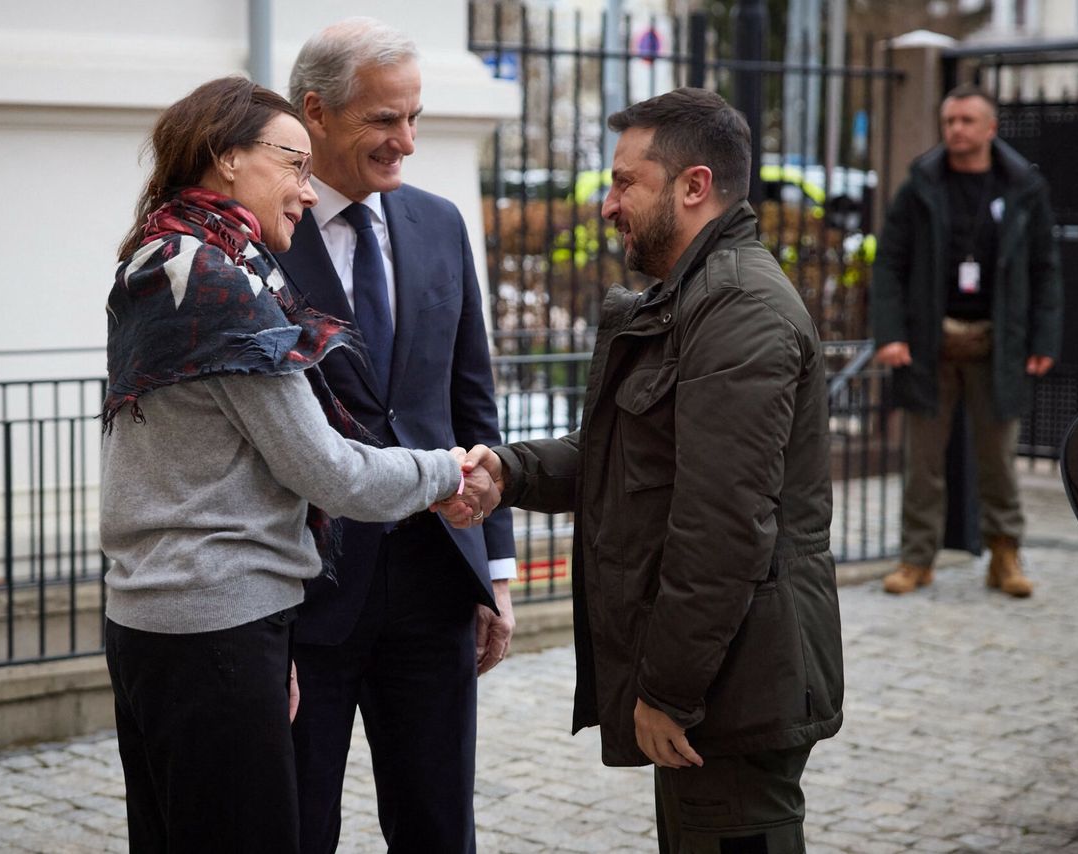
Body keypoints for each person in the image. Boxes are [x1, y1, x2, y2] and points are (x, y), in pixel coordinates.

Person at [98, 76, 496, 853]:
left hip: (156, 618)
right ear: (226, 157)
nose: (309, 193)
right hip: (215, 624)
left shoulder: (157, 256)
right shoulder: (221, 288)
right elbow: (332, 474)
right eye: (294, 166)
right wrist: (451, 473)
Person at [459, 88, 844, 853]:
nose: (608, 204)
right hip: (719, 684)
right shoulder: (694, 296)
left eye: (625, 181)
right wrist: (509, 472)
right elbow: (628, 459)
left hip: (734, 689)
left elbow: (721, 528)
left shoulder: (737, 306)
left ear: (693, 186)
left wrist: (667, 691)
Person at [276, 18, 517, 854]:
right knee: (301, 826)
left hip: (433, 588)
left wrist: (494, 570)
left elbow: (471, 405)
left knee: (438, 826)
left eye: (414, 117)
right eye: (385, 120)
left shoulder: (440, 224)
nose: (406, 142)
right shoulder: (262, 237)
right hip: (307, 597)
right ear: (316, 112)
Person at [871, 83, 1063, 597]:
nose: (955, 129)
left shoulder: (1023, 186)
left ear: (990, 128)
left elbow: (1046, 268)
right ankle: (917, 559)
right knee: (923, 462)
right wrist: (890, 333)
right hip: (929, 342)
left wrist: (1043, 338)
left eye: (966, 121)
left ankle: (1005, 557)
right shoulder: (921, 184)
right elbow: (889, 262)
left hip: (999, 344)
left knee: (998, 458)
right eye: (949, 120)